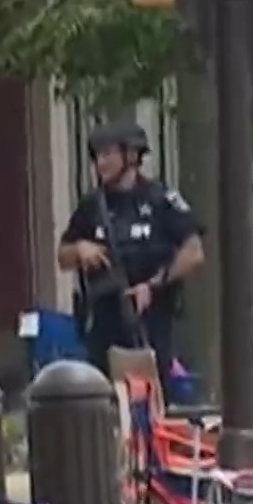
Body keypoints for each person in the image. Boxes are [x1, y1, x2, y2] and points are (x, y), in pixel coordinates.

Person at [58, 121, 205, 376]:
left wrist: (154, 284)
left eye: (108, 154)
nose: (101, 163)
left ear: (131, 155)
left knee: (152, 388)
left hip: (150, 320)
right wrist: (80, 249)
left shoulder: (160, 199)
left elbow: (193, 252)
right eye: (97, 156)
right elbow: (63, 257)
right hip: (103, 322)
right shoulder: (92, 205)